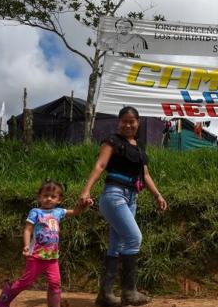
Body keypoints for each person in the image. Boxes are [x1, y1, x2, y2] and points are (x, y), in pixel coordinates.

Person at [79, 106, 167, 307]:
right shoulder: (112, 141)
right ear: (119, 122)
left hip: (132, 198)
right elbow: (100, 166)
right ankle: (129, 292)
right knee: (134, 237)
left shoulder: (139, 146)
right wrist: (86, 191)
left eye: (132, 121)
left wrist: (158, 195)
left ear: (138, 123)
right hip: (114, 195)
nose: (128, 125)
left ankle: (105, 295)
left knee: (116, 245)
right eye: (124, 121)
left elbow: (145, 175)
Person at [0, 179, 90, 307]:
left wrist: (83, 205)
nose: (49, 199)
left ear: (59, 199)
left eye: (53, 196)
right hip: (36, 256)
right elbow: (28, 230)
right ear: (39, 197)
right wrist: (26, 246)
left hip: (52, 257)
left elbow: (76, 212)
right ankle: (2, 302)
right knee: (25, 282)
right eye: (45, 195)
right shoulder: (35, 212)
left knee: (55, 282)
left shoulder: (59, 212)